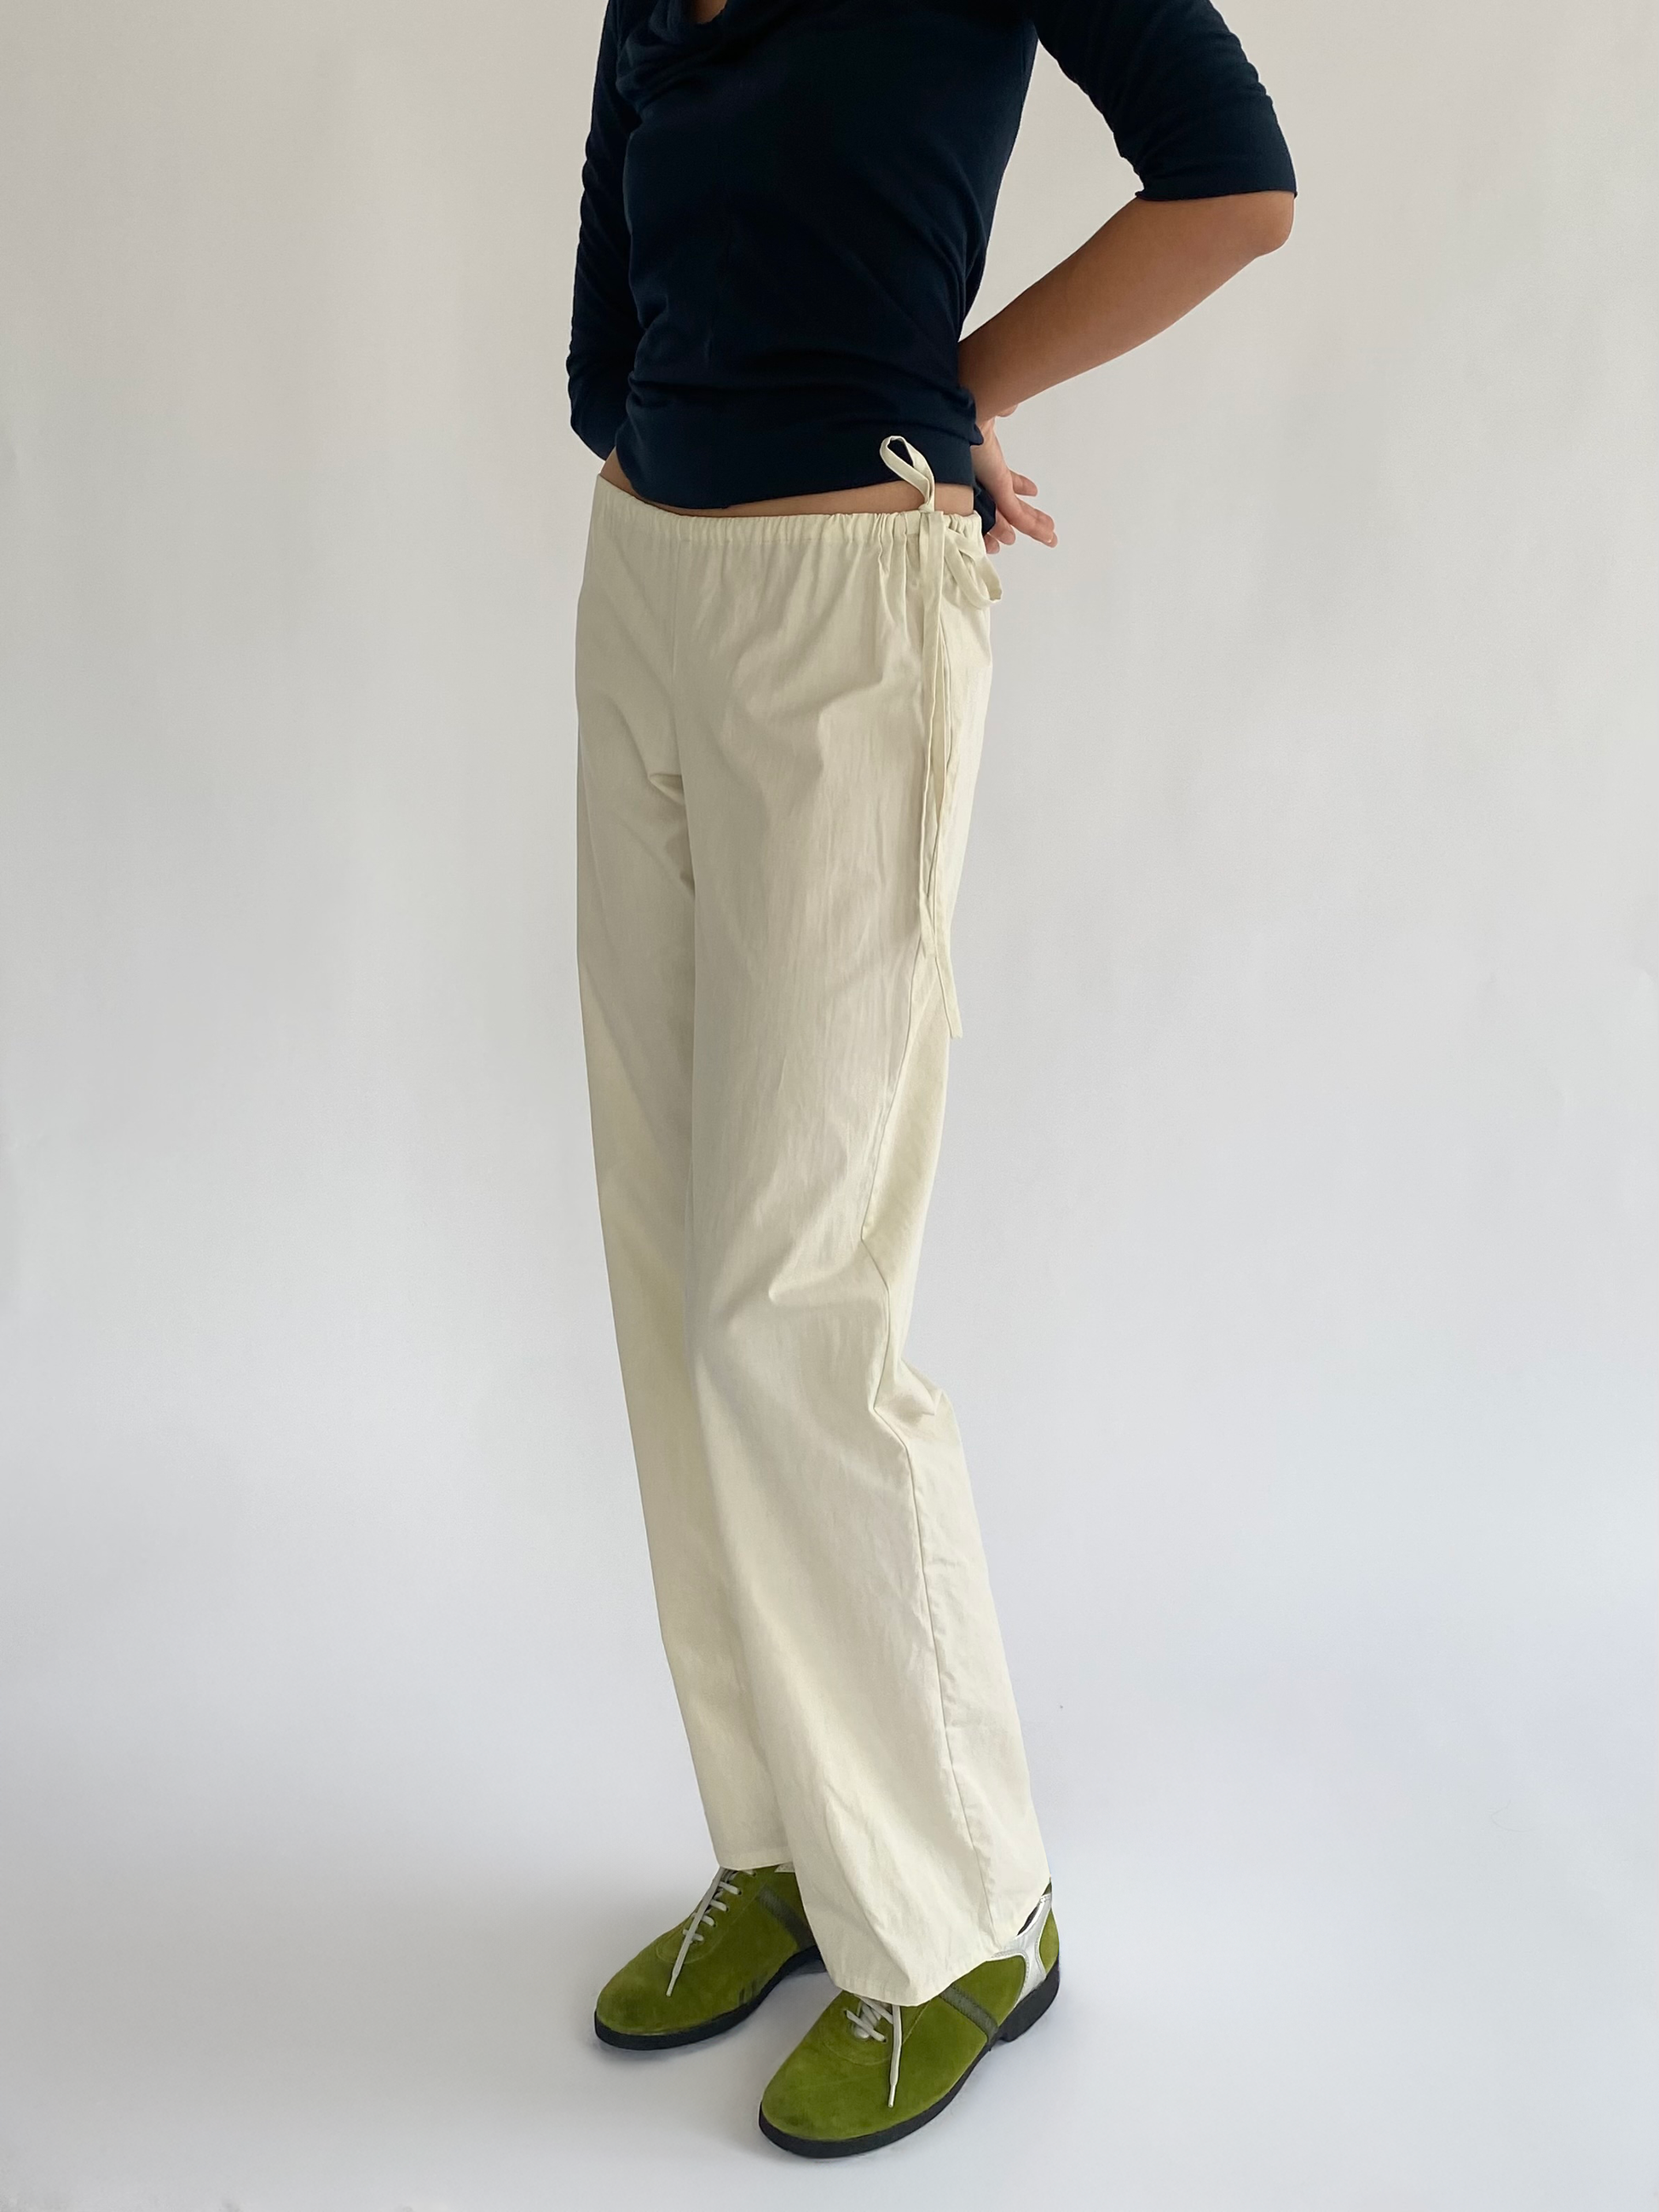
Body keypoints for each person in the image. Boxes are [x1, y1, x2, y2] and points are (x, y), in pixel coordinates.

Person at [565, 0, 1294, 2159]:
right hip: (641, 580)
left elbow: (1233, 179)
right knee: (664, 1267)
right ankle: (792, 1843)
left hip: (840, 601)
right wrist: (640, 437)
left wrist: (947, 393)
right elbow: (612, 265)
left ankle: (965, 1911)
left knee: (787, 1303)